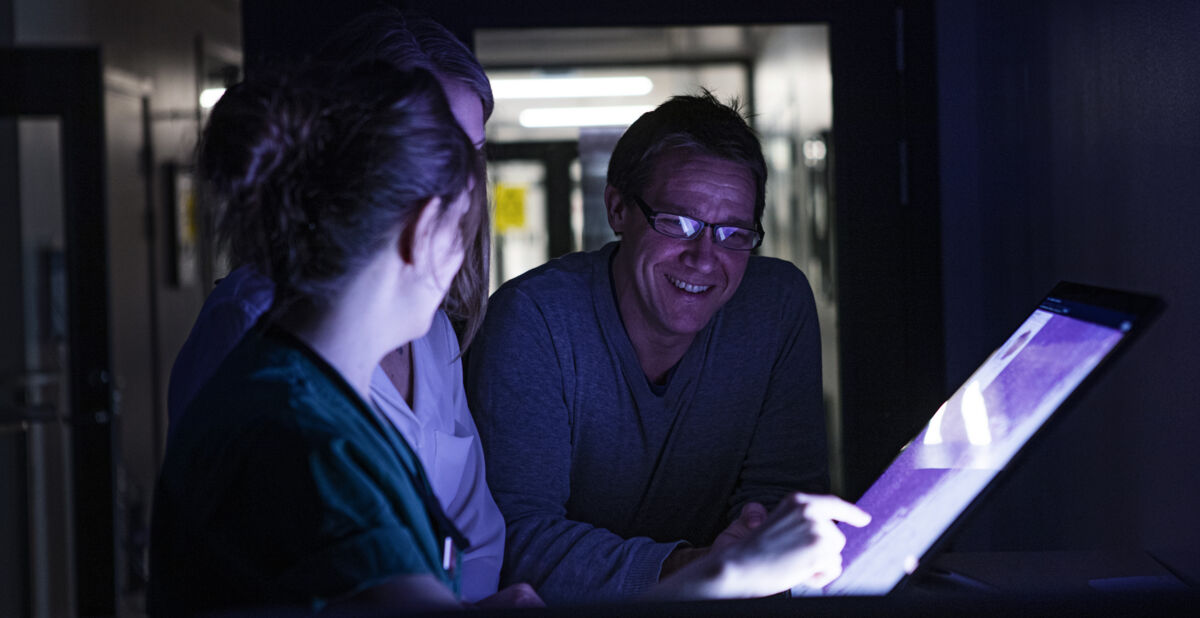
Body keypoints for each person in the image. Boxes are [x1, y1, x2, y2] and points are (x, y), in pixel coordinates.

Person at [163, 9, 509, 603]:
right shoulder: (297, 424)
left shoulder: (370, 362)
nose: (470, 192)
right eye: (449, 164)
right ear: (422, 222)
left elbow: (465, 538)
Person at [466, 92, 840, 603]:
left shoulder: (776, 306)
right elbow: (517, 542)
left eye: (733, 233)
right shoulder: (534, 319)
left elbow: (783, 496)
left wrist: (755, 538)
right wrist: (706, 566)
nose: (704, 258)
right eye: (678, 223)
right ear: (617, 209)